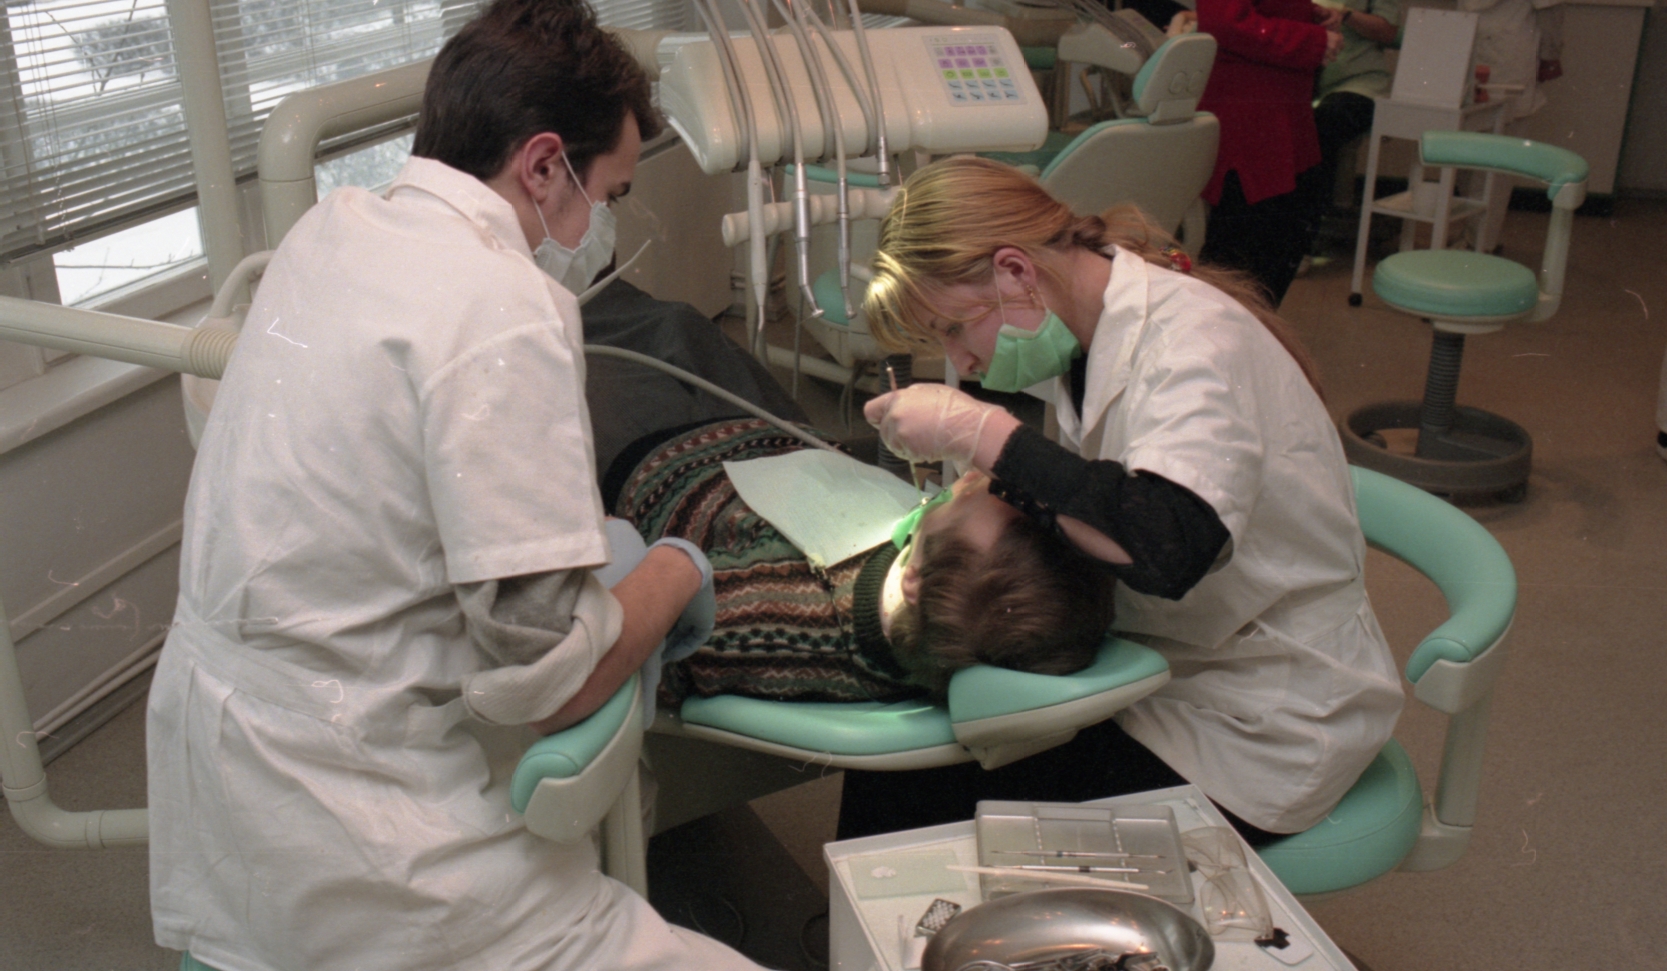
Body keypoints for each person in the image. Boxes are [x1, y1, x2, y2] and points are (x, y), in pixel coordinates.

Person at [145, 2, 760, 969]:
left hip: (223, 778)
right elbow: (554, 685)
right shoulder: (504, 304)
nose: (600, 230)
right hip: (369, 831)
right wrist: (679, 568)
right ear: (544, 165)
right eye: (608, 195)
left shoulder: (330, 230)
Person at [847, 157, 1404, 846]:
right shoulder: (1087, 334)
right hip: (1183, 663)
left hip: (1266, 718)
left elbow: (1166, 543)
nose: (960, 362)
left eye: (953, 329)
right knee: (907, 763)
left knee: (917, 798)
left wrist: (985, 435)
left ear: (1015, 271)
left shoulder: (1193, 345)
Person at [601, 416, 1117, 704]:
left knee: (650, 324)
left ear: (914, 578)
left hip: (658, 460)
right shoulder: (949, 611)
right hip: (778, 434)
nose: (976, 478)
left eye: (974, 495)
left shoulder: (761, 611)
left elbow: (637, 659)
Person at [1193, 0, 1344, 306]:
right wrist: (1312, 40)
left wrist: (1307, 13)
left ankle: (1246, 331)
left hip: (1278, 117)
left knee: (1271, 250)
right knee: (1246, 265)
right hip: (1254, 121)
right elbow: (1224, 22)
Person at [1304, 0, 1402, 254]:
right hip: (1300, 78)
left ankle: (1306, 236)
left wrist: (1345, 15)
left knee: (1324, 123)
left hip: (1358, 83)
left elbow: (1390, 33)